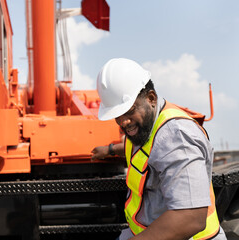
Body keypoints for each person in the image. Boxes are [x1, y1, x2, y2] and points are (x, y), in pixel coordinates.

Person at [92, 58, 227, 240]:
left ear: (151, 98)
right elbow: (144, 146)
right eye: (117, 115)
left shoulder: (177, 137)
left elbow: (191, 218)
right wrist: (109, 150)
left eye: (130, 111)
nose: (123, 121)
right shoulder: (148, 125)